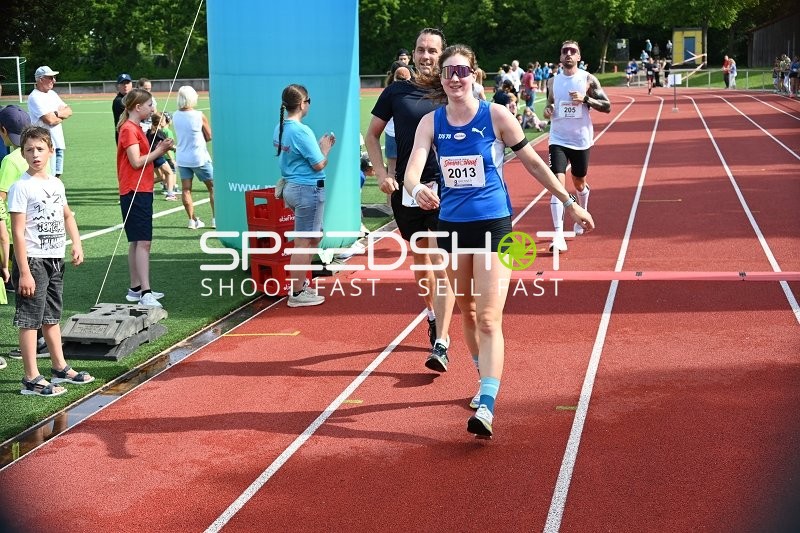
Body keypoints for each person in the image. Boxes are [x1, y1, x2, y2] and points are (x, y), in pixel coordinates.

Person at [404, 44, 594, 437]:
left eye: (462, 71)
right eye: (449, 72)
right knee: (468, 313)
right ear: (441, 79)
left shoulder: (496, 115)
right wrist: (417, 188)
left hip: (494, 224)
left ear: (476, 75)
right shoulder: (432, 123)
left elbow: (536, 164)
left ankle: (487, 404)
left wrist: (570, 202)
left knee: (489, 316)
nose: (455, 78)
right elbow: (412, 172)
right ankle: (482, 378)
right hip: (452, 227)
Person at [365, 27, 455, 367]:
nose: (426, 55)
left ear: (442, 54)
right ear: (414, 54)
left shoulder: (451, 89)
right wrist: (383, 175)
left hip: (445, 188)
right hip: (408, 189)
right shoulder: (396, 92)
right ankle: (432, 314)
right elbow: (372, 135)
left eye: (433, 50)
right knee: (421, 264)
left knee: (441, 262)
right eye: (421, 49)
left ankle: (442, 343)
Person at [8, 126, 95, 396]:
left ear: (51, 151)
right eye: (29, 150)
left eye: (40, 149)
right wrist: (24, 272)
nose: (35, 154)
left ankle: (59, 367)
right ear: (22, 154)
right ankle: (31, 378)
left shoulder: (56, 184)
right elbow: (18, 233)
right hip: (33, 262)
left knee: (51, 317)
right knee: (30, 320)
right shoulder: (21, 187)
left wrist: (77, 242)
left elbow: (67, 215)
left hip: (55, 259)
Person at [543, 40, 611, 252]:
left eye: (573, 52)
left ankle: (583, 209)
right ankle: (558, 235)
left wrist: (586, 99)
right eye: (565, 52)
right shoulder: (552, 81)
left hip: (581, 140)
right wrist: (548, 110)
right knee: (557, 185)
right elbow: (549, 104)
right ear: (561, 57)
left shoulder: (588, 79)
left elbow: (607, 107)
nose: (569, 54)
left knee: (579, 182)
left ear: (579, 57)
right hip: (558, 139)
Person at [272, 84, 335, 307]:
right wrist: (325, 149)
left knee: (313, 237)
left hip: (293, 188)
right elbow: (318, 164)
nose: (309, 105)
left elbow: (297, 157)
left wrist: (316, 149)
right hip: (306, 189)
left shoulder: (281, 127)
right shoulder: (301, 130)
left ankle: (300, 286)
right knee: (303, 241)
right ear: (301, 104)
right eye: (308, 101)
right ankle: (297, 292)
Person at [116, 88, 173, 307]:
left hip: (138, 189)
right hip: (135, 190)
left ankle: (136, 288)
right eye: (149, 105)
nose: (153, 108)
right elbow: (136, 161)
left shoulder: (133, 127)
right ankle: (145, 292)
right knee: (143, 243)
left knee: (136, 241)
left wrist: (158, 148)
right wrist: (159, 151)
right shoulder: (129, 129)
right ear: (137, 107)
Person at [173, 85, 215, 229]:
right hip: (199, 157)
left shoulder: (175, 115)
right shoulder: (199, 115)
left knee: (186, 189)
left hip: (182, 157)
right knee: (213, 187)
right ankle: (216, 218)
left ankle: (192, 220)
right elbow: (209, 136)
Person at [27, 66, 72, 179]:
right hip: (44, 143)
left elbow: (69, 111)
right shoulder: (35, 97)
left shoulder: (52, 94)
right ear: (40, 79)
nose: (54, 80)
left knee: (57, 175)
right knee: (47, 176)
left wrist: (55, 114)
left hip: (58, 142)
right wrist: (60, 115)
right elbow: (49, 120)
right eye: (50, 77)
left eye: (54, 77)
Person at [148, 111, 178, 201]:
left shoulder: (149, 132)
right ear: (161, 122)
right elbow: (168, 144)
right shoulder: (160, 132)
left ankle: (147, 188)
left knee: (161, 177)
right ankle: (170, 194)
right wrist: (176, 149)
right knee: (169, 173)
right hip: (158, 156)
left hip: (150, 157)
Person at [112, 73, 133, 143]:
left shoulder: (130, 98)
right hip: (124, 137)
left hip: (131, 134)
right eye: (122, 83)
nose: (125, 85)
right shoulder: (118, 101)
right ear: (118, 86)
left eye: (127, 83)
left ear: (131, 84)